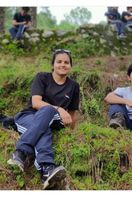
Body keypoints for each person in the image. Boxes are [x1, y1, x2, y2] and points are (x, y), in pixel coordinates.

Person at [7, 49, 80, 189]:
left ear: (70, 66)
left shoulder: (73, 86)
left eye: (66, 62)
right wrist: (58, 108)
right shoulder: (42, 77)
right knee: (44, 127)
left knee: (46, 121)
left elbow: (71, 115)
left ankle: (20, 154)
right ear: (53, 65)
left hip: (56, 120)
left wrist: (71, 132)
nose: (63, 64)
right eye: (59, 61)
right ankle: (46, 169)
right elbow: (36, 103)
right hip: (29, 117)